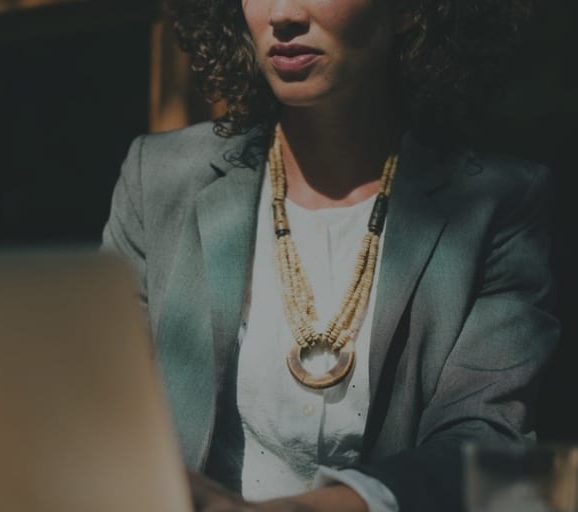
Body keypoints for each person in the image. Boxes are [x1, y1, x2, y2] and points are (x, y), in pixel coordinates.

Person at [101, 0, 560, 511]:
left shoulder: (500, 204)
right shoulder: (159, 178)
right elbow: (99, 406)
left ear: (412, 11)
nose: (282, 14)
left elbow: (493, 449)